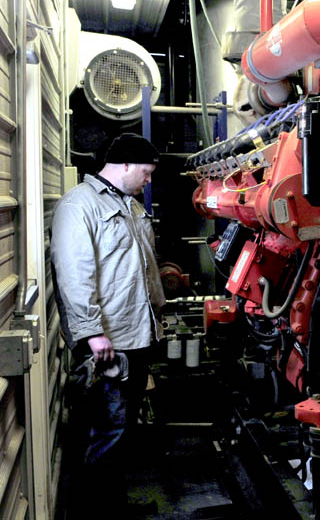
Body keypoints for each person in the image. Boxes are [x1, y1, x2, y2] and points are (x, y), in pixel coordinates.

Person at [51, 133, 165, 517]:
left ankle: (112, 505)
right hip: (108, 342)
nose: (148, 181)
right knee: (108, 431)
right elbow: (74, 274)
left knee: (122, 430)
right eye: (146, 174)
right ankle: (96, 512)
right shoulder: (79, 206)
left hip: (135, 336)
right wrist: (92, 333)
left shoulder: (128, 205)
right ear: (127, 165)